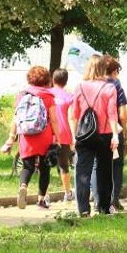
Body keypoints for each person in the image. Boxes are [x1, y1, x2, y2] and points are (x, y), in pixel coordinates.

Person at [2, 66, 60, 209]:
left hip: (26, 135)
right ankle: (41, 200)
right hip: (44, 135)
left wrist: (11, 137)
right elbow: (53, 120)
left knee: (27, 166)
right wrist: (58, 137)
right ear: (47, 80)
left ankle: (23, 186)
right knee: (44, 168)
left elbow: (16, 118)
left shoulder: (22, 95)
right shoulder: (48, 96)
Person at [68, 55, 119, 216]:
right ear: (103, 68)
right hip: (104, 134)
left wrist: (73, 136)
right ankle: (104, 207)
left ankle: (83, 209)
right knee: (104, 172)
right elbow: (112, 113)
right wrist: (115, 135)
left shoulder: (79, 87)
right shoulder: (110, 88)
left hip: (83, 135)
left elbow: (74, 114)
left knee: (82, 172)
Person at [103, 55, 127, 210]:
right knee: (116, 165)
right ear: (113, 71)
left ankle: (99, 197)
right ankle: (114, 199)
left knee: (99, 164)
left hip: (96, 130)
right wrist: (124, 129)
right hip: (114, 130)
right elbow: (123, 113)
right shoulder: (116, 85)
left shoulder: (93, 84)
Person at [46, 68, 75, 202]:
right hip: (64, 134)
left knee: (44, 166)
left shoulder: (46, 94)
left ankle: (44, 195)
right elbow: (72, 117)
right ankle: (67, 193)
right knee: (64, 165)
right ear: (66, 81)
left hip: (47, 134)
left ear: (53, 79)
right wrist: (73, 138)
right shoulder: (69, 96)